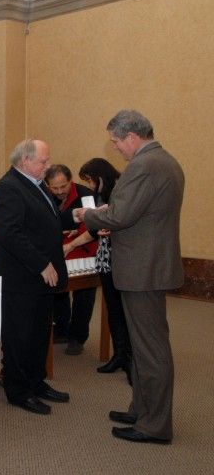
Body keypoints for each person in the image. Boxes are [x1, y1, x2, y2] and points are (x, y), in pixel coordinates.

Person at [76, 110, 184, 444]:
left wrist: (90, 215)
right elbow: (139, 213)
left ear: (132, 137)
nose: (116, 148)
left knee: (150, 347)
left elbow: (122, 214)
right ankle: (142, 408)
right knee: (142, 343)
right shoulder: (165, 161)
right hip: (149, 264)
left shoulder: (143, 165)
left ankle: (154, 425)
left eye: (116, 141)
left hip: (143, 268)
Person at [0, 139, 70, 415]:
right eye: (43, 161)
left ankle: (36, 382)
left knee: (38, 333)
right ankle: (18, 390)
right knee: (19, 336)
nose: (47, 166)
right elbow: (10, 234)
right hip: (22, 278)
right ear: (25, 160)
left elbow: (46, 225)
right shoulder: (8, 188)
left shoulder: (36, 185)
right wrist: (41, 264)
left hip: (40, 278)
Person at [67, 158, 132, 380]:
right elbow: (96, 228)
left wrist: (74, 243)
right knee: (113, 308)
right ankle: (120, 355)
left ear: (101, 177)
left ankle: (130, 356)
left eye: (92, 181)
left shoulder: (122, 189)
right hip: (106, 258)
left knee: (125, 310)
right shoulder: (103, 194)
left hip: (123, 258)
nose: (92, 186)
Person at [45, 164, 99, 355]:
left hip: (83, 250)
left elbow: (92, 228)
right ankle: (60, 330)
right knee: (57, 291)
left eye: (63, 187)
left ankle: (77, 336)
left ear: (71, 181)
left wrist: (72, 241)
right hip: (56, 250)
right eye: (55, 188)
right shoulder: (43, 195)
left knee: (84, 295)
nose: (59, 192)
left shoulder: (85, 195)